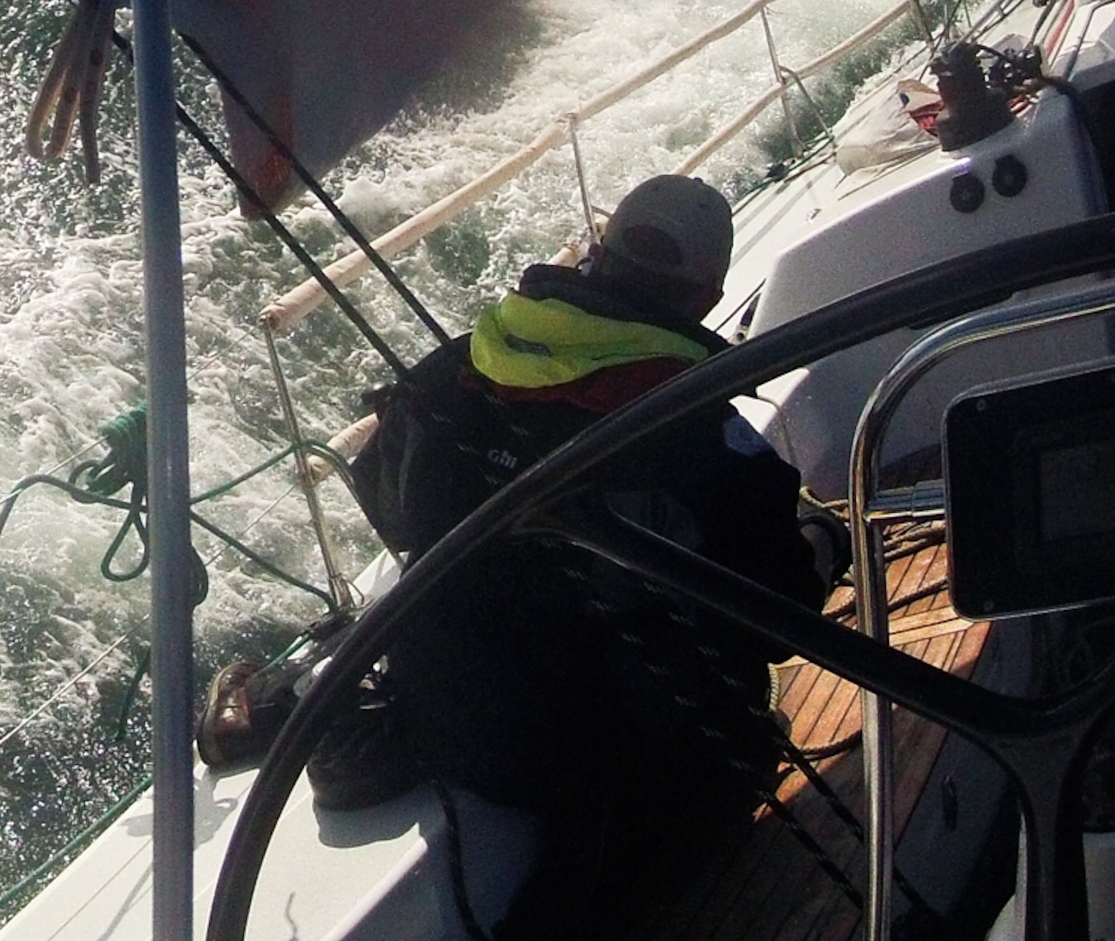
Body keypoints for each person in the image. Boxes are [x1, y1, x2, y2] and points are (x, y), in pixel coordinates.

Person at [314, 174, 844, 935]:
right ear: (704, 297)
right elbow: (780, 619)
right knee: (732, 743)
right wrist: (826, 544)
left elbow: (391, 509)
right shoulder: (701, 433)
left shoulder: (454, 368)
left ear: (597, 252)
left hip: (445, 712)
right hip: (594, 749)